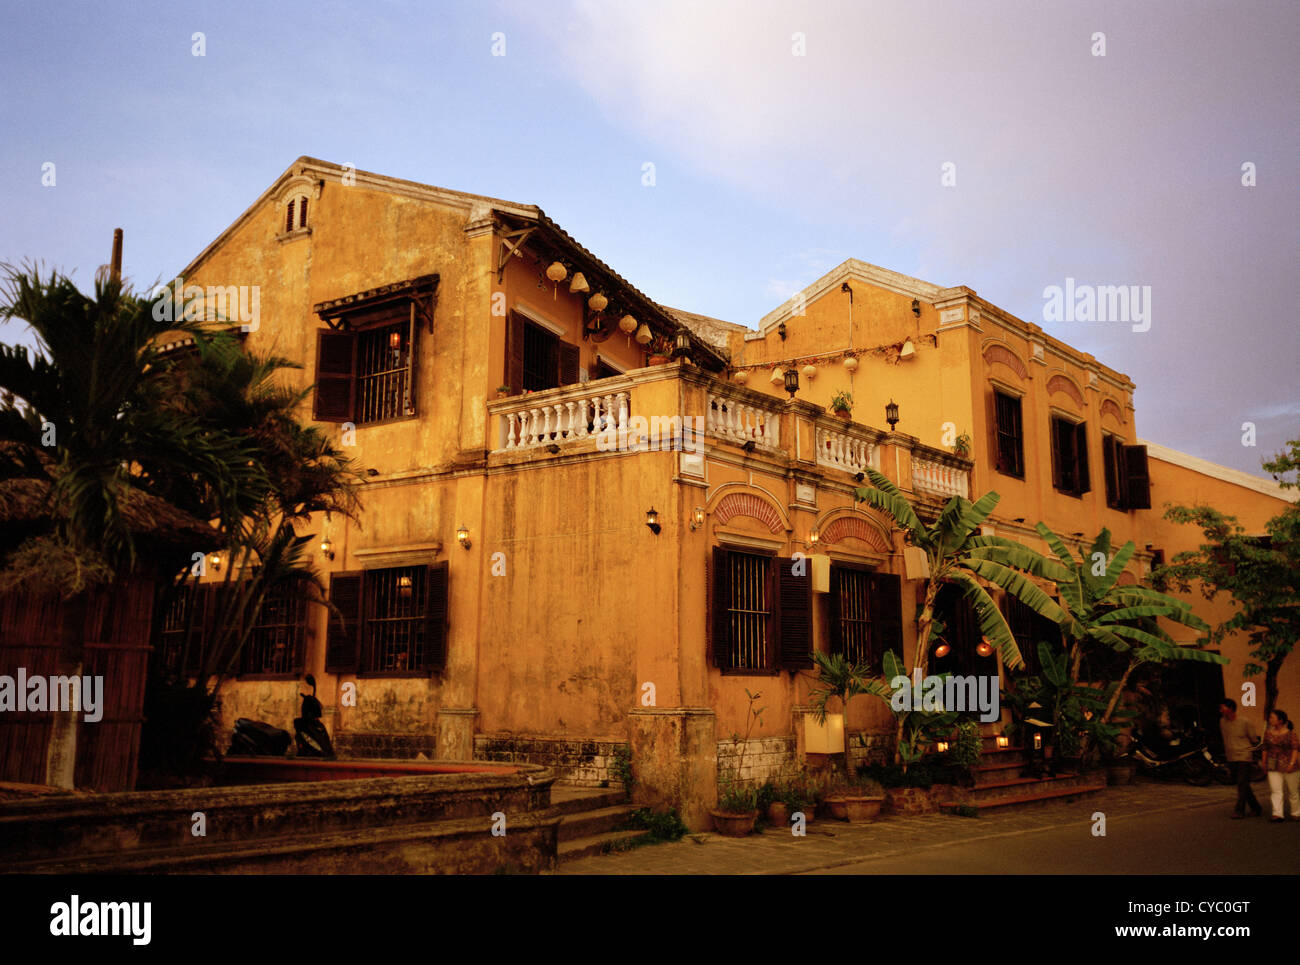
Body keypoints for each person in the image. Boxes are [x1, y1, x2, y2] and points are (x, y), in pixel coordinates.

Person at [1219, 698, 1261, 818]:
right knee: (1242, 784)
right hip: (1231, 756)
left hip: (1244, 755)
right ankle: (1256, 808)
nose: (1221, 710)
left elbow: (1253, 739)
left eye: (1223, 707)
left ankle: (1239, 810)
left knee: (1242, 783)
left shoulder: (1245, 722)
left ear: (1231, 708)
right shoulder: (1222, 722)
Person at [1262, 709, 1300, 822]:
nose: (1270, 720)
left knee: (1293, 791)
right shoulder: (1268, 733)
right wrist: (1264, 762)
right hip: (1273, 765)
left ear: (1280, 720)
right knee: (1276, 790)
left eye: (1272, 718)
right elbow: (1265, 748)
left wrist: (1292, 763)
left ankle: (1295, 812)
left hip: (1290, 765)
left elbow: (1295, 749)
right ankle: (1277, 813)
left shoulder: (1291, 734)